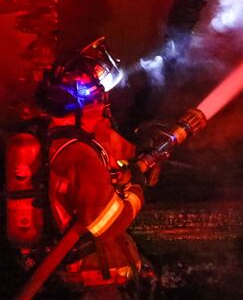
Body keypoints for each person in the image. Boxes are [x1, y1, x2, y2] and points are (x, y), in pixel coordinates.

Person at [34, 37, 148, 299]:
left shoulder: (64, 142)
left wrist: (134, 160)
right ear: (81, 105)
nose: (103, 106)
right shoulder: (79, 153)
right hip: (96, 284)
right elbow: (106, 223)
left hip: (93, 278)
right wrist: (135, 190)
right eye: (98, 99)